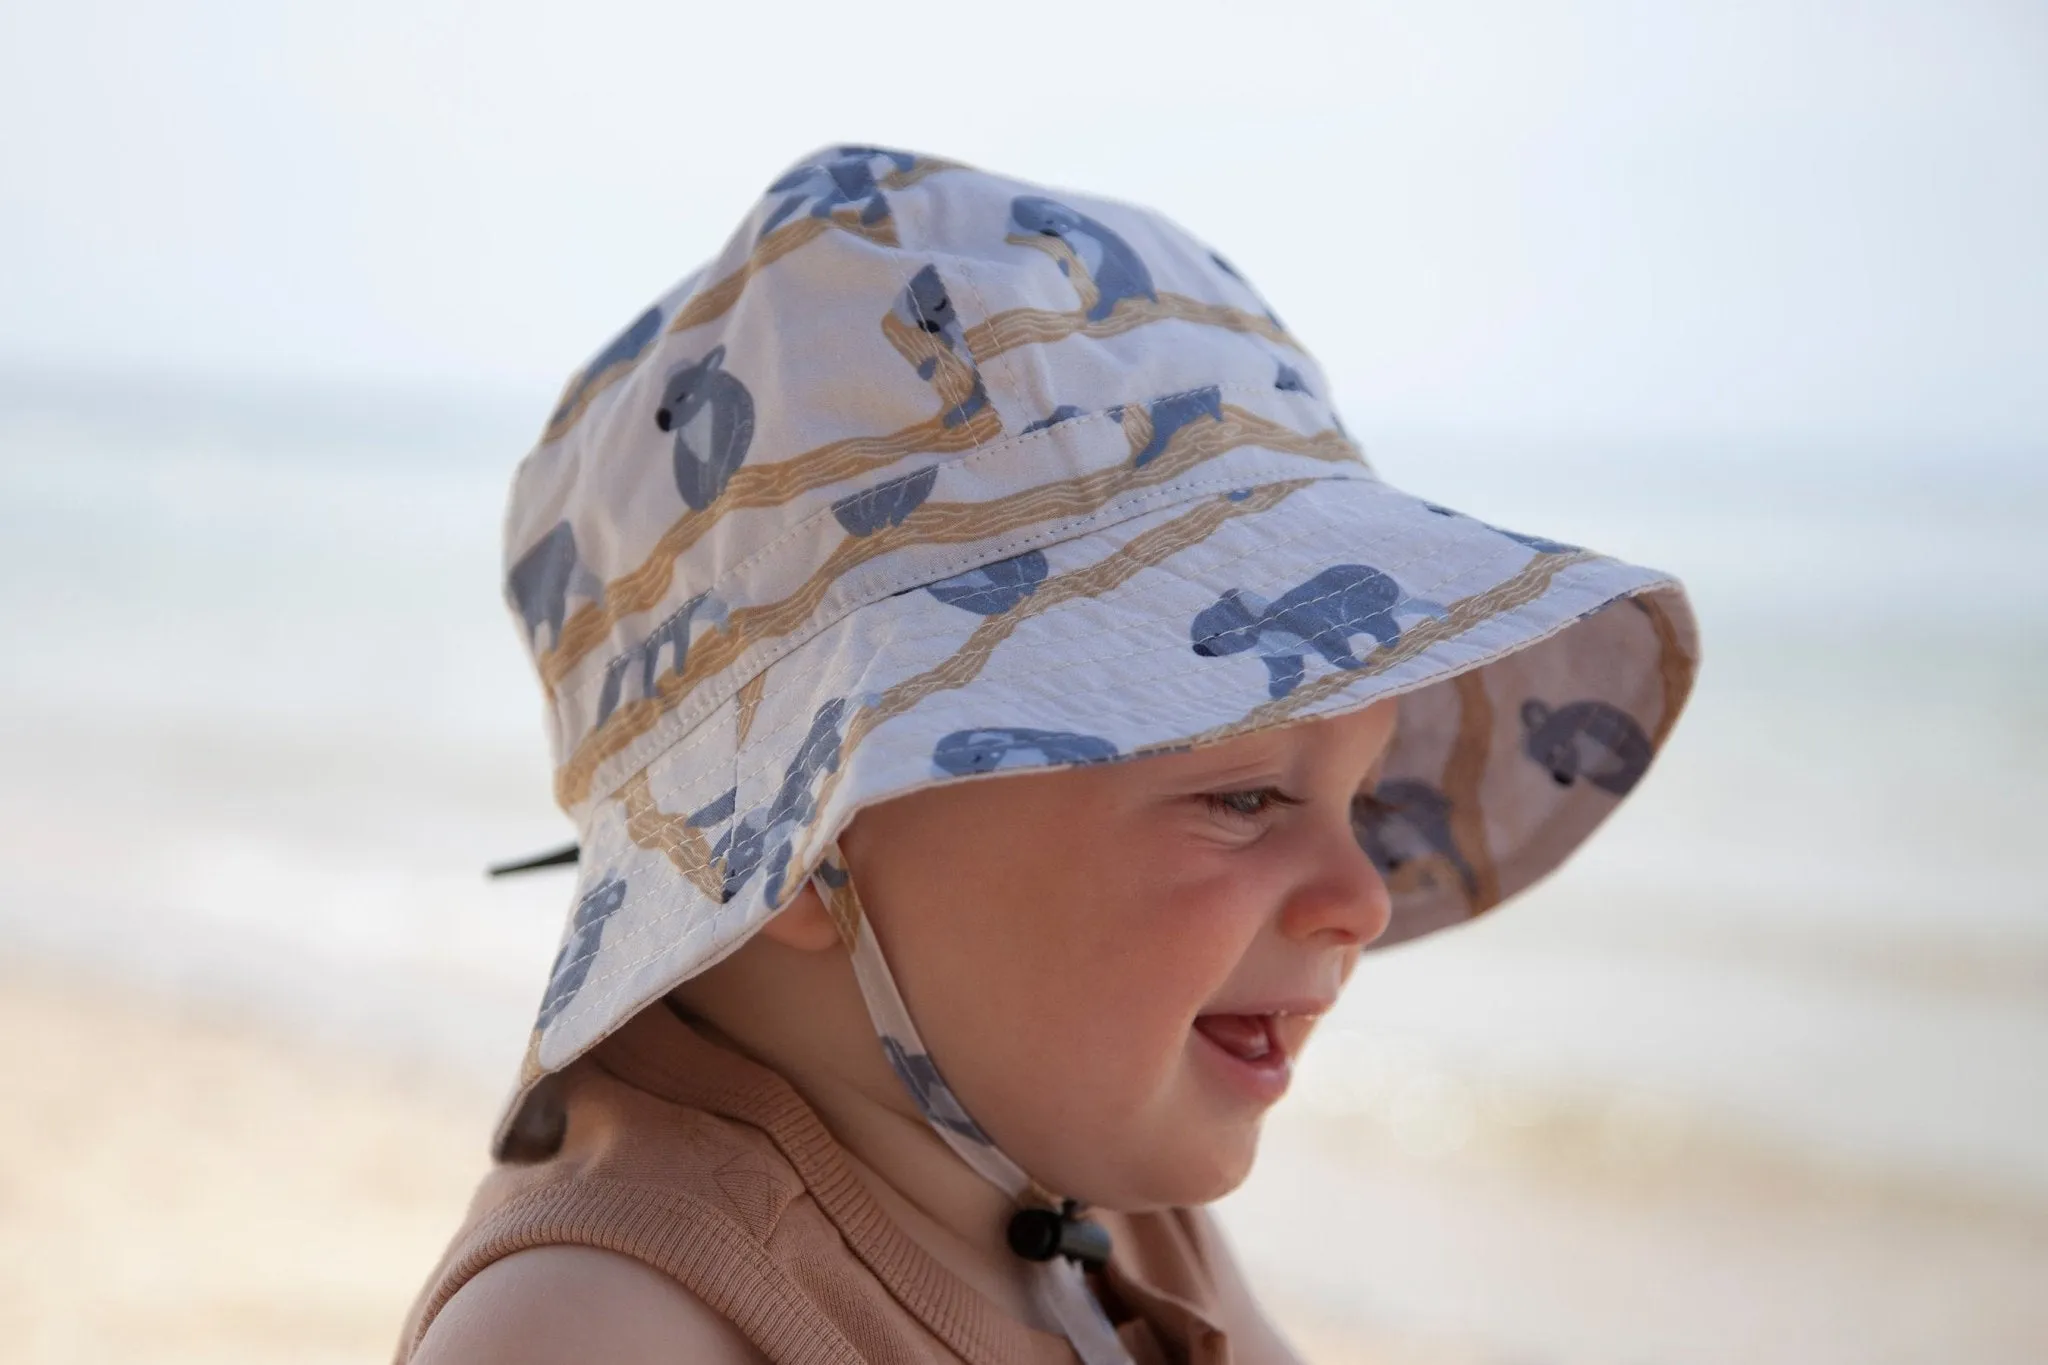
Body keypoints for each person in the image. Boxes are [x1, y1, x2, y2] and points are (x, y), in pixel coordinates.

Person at [394, 144, 1700, 1365]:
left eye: (1359, 798)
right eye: (1244, 796)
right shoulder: (605, 1324)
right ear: (802, 836)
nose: (1360, 897)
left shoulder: (1083, 1192)